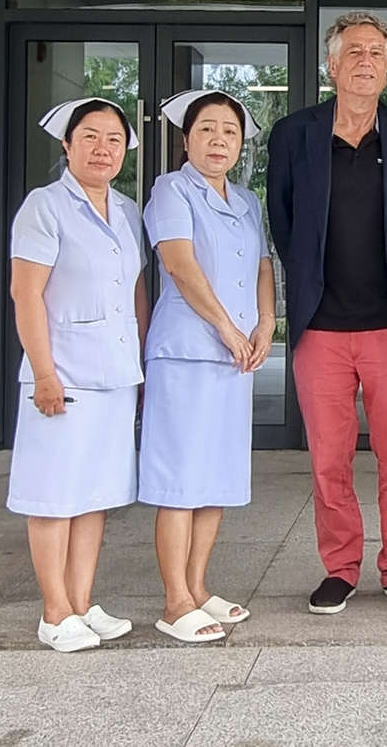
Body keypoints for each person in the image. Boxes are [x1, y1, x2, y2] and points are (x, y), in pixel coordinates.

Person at [266, 11, 387, 616]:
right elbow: (283, 221)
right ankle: (340, 568)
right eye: (355, 52)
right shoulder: (294, 134)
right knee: (329, 459)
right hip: (321, 327)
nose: (366, 61)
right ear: (332, 64)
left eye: (377, 54)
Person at [7, 98, 149, 652]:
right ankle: (54, 611)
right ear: (67, 145)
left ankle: (83, 603)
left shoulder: (127, 210)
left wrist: (140, 365)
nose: (102, 149)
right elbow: (26, 294)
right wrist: (45, 374)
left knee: (96, 494)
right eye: (89, 137)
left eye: (114, 139)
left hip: (115, 373)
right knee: (53, 496)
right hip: (62, 375)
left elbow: (134, 290)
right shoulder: (44, 207)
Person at [139, 89, 276, 643]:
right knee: (181, 478)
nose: (219, 140)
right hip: (187, 352)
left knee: (217, 474)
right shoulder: (171, 190)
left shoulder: (247, 201)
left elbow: (263, 264)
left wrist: (266, 322)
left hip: (235, 356)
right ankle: (174, 601)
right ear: (186, 138)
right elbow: (179, 263)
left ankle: (197, 587)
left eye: (229, 131)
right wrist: (225, 325)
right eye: (207, 129)